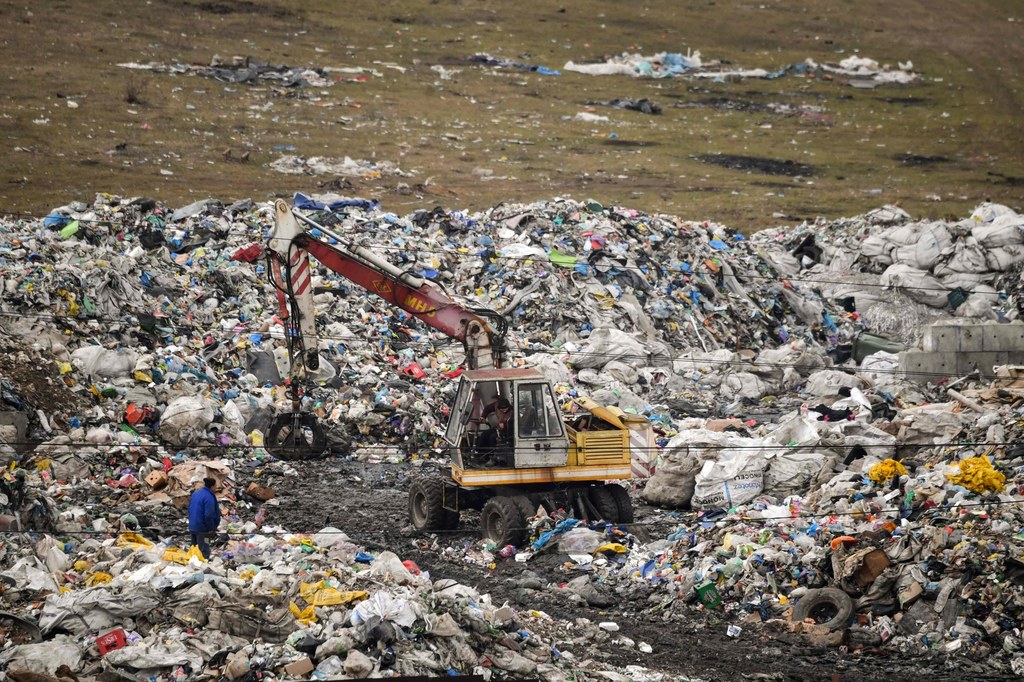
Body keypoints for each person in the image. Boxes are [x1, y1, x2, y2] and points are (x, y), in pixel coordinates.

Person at [188, 477, 221, 559]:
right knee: (204, 549)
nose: (216, 487)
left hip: (193, 525)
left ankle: (193, 565)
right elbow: (209, 515)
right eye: (215, 486)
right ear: (212, 486)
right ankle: (204, 566)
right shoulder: (208, 497)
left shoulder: (196, 493)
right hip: (202, 529)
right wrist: (210, 528)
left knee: (194, 548)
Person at [477, 396, 514, 465]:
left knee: (492, 437)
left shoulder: (512, 412)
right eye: (502, 409)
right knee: (484, 434)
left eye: (506, 409)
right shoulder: (496, 405)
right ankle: (480, 453)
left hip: (508, 431)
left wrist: (505, 425)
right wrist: (483, 416)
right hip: (498, 428)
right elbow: (487, 408)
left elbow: (514, 424)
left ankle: (493, 458)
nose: (504, 411)